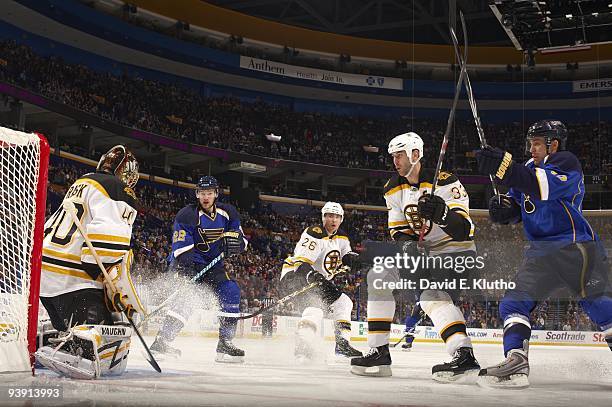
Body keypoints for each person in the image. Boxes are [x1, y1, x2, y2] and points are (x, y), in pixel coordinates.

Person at [475, 120, 612, 388]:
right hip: (540, 253)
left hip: (573, 246)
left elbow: (540, 187)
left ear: (554, 144)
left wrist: (504, 166)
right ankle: (516, 359)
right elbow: (520, 205)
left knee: (595, 304)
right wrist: (504, 210)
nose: (532, 148)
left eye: (537, 143)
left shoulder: (566, 162)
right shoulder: (526, 169)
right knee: (513, 303)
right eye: (530, 143)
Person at [351, 132, 481, 381]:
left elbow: (465, 229)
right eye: (393, 156)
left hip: (456, 251)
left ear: (415, 154)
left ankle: (463, 354)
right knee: (377, 276)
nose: (395, 161)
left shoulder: (445, 181)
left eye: (399, 155)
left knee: (432, 297)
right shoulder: (392, 188)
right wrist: (407, 246)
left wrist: (442, 214)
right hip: (423, 253)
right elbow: (399, 231)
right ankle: (379, 350)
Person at [36, 145, 145, 379]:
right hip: (73, 283)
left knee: (67, 324)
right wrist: (111, 287)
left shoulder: (82, 183)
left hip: (44, 277)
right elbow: (106, 245)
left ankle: (50, 336)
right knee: (112, 332)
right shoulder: (117, 188)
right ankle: (75, 344)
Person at [150, 176, 248, 363]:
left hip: (213, 266)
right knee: (187, 298)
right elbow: (181, 248)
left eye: (209, 193)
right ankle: (162, 342)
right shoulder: (186, 214)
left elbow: (242, 240)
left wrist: (235, 245)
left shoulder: (228, 213)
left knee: (231, 291)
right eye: (202, 193)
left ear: (216, 194)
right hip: (187, 263)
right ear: (197, 194)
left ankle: (225, 344)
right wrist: (189, 272)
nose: (205, 197)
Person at [279, 202, 362, 362]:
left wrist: (354, 259)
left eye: (337, 216)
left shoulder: (342, 238)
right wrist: (312, 275)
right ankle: (302, 346)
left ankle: (343, 345)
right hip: (295, 276)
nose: (333, 220)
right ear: (323, 217)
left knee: (343, 303)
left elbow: (346, 255)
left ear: (341, 219)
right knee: (315, 308)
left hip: (319, 280)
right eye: (330, 215)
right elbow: (301, 264)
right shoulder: (314, 233)